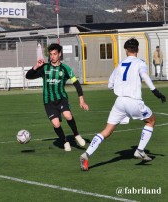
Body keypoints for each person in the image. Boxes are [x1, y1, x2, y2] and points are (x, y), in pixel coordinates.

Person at [80, 38, 166, 171]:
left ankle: (87, 154)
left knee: (107, 131)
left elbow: (110, 85)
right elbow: (144, 75)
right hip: (133, 101)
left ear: (126, 50)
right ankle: (140, 150)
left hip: (119, 102)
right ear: (137, 50)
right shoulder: (140, 63)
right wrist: (155, 91)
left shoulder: (120, 65)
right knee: (151, 121)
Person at [26, 43, 89, 151]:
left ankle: (76, 135)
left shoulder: (65, 69)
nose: (52, 56)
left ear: (59, 54)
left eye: (55, 54)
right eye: (51, 54)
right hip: (48, 101)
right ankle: (65, 141)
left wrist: (82, 101)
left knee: (68, 115)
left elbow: (77, 84)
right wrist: (36, 66)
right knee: (56, 124)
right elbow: (28, 76)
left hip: (61, 98)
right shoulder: (44, 68)